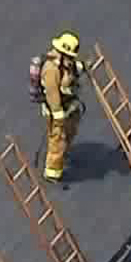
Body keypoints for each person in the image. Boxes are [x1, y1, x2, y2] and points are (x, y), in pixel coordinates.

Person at [38, 31, 84, 185]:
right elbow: (52, 94)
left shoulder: (65, 63)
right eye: (69, 56)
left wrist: (83, 66)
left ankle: (62, 157)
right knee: (57, 139)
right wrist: (57, 115)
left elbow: (72, 70)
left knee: (70, 133)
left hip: (69, 107)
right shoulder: (51, 69)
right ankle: (52, 172)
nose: (71, 59)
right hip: (57, 111)